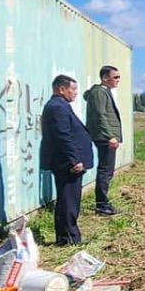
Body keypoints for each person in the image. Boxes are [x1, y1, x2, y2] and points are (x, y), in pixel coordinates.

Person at [40, 74, 94, 245]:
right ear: (61, 89)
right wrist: (74, 160)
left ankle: (67, 236)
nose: (76, 93)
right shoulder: (57, 107)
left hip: (67, 161)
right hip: (67, 164)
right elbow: (63, 136)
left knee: (67, 199)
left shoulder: (60, 105)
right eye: (73, 89)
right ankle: (69, 238)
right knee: (68, 201)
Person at [85, 65, 123, 216]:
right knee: (105, 171)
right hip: (105, 138)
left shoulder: (103, 92)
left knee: (107, 171)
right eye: (115, 77)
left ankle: (103, 203)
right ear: (105, 78)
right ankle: (102, 205)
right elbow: (100, 116)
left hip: (106, 137)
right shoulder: (99, 93)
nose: (118, 80)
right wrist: (110, 136)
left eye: (119, 77)